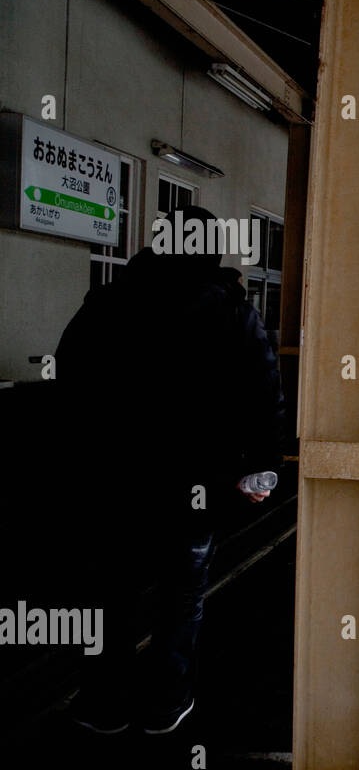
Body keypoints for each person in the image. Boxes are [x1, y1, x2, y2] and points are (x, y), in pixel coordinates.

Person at [55, 206, 285, 735]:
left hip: (112, 484)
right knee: (181, 596)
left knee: (110, 593)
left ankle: (102, 703)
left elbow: (70, 384)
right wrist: (262, 469)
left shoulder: (109, 301)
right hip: (194, 486)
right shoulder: (232, 312)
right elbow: (265, 397)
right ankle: (167, 701)